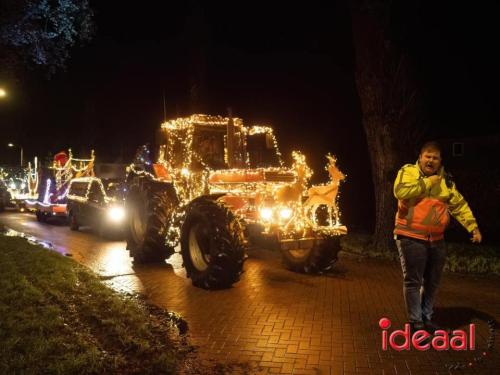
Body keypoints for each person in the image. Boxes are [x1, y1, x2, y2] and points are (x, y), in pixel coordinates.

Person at [393, 141, 482, 332]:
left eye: (435, 157)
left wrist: (472, 227)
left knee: (432, 282)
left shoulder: (446, 181)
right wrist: (426, 183)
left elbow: (458, 205)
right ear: (420, 157)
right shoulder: (408, 172)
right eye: (428, 156)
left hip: (436, 239)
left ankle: (426, 317)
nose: (431, 160)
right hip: (411, 236)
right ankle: (416, 323)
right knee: (413, 282)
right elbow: (399, 191)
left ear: (440, 161)